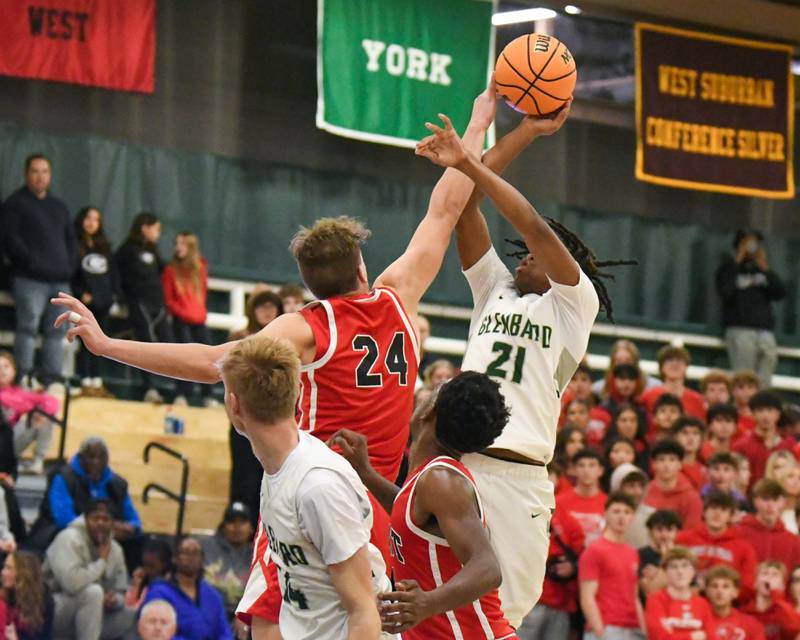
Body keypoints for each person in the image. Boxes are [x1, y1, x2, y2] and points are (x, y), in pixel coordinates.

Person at [53, 82, 499, 634]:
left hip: (314, 485)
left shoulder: (309, 326)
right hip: (380, 502)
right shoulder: (398, 295)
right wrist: (479, 122)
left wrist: (107, 344)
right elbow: (446, 207)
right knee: (365, 620)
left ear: (309, 286)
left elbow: (210, 359)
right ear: (361, 269)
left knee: (269, 622)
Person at [422, 99, 638, 627]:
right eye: (519, 253)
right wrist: (522, 133)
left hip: (519, 477)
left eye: (533, 255)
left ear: (565, 262)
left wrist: (468, 163)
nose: (521, 257)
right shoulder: (494, 289)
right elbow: (467, 208)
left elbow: (530, 222)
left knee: (503, 620)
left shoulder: (574, 303)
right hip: (456, 462)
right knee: (423, 609)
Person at [330, 371, 516, 638]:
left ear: (431, 410)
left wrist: (428, 603)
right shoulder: (429, 479)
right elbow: (411, 517)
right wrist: (366, 473)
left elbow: (487, 567)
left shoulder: (441, 480)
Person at [1, 153, 77, 391]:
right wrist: (30, 262)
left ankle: (52, 378)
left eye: (45, 171)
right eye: (35, 171)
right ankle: (23, 375)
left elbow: (71, 241)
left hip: (59, 280)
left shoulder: (59, 207)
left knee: (57, 330)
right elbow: (10, 240)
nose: (40, 176)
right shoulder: (15, 204)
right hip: (29, 279)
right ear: (26, 174)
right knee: (28, 327)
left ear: (50, 175)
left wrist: (68, 267)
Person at [30, 437, 141, 562]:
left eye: (101, 458)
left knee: (140, 542)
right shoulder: (63, 477)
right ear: (81, 458)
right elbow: (64, 519)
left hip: (108, 537)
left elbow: (134, 520)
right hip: (69, 535)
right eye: (91, 457)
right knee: (70, 537)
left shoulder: (118, 484)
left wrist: (131, 528)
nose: (96, 462)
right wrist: (104, 527)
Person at [227, 289, 284, 527]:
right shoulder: (240, 337)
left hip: (274, 418)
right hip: (244, 417)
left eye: (272, 306)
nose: (267, 311)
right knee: (244, 474)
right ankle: (240, 521)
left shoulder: (288, 339)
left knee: (272, 474)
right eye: (262, 306)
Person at [43, 499, 135, 640]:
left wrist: (114, 600)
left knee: (134, 615)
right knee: (93, 593)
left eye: (105, 519)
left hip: (92, 616)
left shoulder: (116, 549)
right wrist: (101, 562)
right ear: (86, 519)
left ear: (113, 523)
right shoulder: (68, 538)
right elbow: (71, 584)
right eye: (95, 518)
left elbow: (121, 590)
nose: (100, 523)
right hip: (53, 611)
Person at [114, 212, 174, 403]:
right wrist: (122, 297)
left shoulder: (153, 251)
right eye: (156, 229)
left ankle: (174, 389)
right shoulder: (126, 250)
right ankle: (149, 388)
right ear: (144, 228)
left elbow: (163, 271)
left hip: (157, 302)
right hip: (139, 302)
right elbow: (117, 275)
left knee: (167, 342)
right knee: (145, 343)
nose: (158, 234)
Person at [715, 228, 786, 386]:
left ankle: (761, 406)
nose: (751, 247)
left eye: (755, 243)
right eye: (747, 242)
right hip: (740, 329)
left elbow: (780, 292)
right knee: (744, 378)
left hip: (765, 331)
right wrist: (737, 261)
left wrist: (765, 268)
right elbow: (725, 292)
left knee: (765, 378)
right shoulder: (727, 269)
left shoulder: (762, 271)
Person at [518, 487, 584, 640]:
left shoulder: (566, 518)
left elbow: (580, 551)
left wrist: (573, 566)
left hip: (561, 600)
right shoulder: (522, 509)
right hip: (531, 599)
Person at [578, 493, 645, 640]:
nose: (621, 517)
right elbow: (587, 597)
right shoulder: (595, 550)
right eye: (616, 511)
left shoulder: (633, 552)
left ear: (632, 517)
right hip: (607, 628)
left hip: (633, 629)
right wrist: (600, 632)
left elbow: (634, 596)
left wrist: (643, 629)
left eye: (627, 512)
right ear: (606, 514)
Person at [162, 231, 216, 407]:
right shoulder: (171, 270)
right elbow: (169, 299)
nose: (178, 248)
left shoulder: (200, 267)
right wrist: (181, 311)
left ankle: (208, 395)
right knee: (184, 357)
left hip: (198, 318)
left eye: (183, 244)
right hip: (181, 319)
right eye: (177, 244)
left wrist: (199, 311)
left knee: (210, 355)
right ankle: (183, 393)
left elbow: (203, 291)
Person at [142, 537, 232, 640]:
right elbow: (155, 632)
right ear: (175, 558)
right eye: (185, 552)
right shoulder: (159, 592)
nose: (191, 558)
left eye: (195, 553)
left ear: (202, 560)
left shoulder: (212, 595)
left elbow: (224, 632)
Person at [71, 206, 120, 398]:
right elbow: (72, 273)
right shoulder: (74, 245)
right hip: (84, 303)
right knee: (84, 341)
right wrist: (80, 293)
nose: (91, 223)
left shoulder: (105, 248)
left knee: (101, 341)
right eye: (88, 218)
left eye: (96, 219)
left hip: (102, 303)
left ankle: (97, 380)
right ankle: (83, 380)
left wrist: (109, 295)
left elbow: (112, 275)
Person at [675, 491, 757, 598]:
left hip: (724, 605)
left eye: (723, 510)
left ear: (730, 516)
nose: (717, 514)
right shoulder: (683, 539)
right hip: (687, 599)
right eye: (713, 508)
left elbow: (747, 586)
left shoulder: (744, 548)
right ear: (704, 512)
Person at [0, 350, 58, 475]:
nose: (2, 370)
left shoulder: (18, 392)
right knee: (37, 413)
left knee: (45, 415)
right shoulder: (17, 396)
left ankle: (38, 461)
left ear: (14, 371)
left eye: (6, 366)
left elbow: (51, 400)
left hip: (9, 444)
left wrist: (41, 412)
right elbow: (12, 402)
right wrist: (32, 407)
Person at [644, 546, 711, 640]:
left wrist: (673, 635)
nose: (680, 571)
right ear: (665, 571)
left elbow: (710, 637)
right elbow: (659, 637)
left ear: (694, 571)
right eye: (673, 567)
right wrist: (692, 636)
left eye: (685, 565)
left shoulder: (702, 604)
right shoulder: (655, 600)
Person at [200, 502, 254, 616]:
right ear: (223, 526)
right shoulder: (204, 546)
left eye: (242, 522)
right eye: (232, 522)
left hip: (245, 618)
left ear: (251, 528)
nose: (237, 527)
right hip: (208, 613)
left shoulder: (259, 553)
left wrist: (246, 617)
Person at [733, 390, 793, 490]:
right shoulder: (741, 445)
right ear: (753, 414)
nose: (765, 415)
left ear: (778, 414)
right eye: (760, 410)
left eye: (770, 410)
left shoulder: (788, 445)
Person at [735, 479, 800, 570]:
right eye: (765, 499)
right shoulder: (738, 534)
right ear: (755, 501)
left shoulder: (793, 541)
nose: (770, 505)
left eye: (775, 500)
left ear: (783, 502)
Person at [643, 439, 703, 530]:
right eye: (661, 460)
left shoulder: (691, 497)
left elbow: (692, 531)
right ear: (654, 464)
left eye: (672, 460)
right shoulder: (644, 492)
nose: (666, 465)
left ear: (680, 464)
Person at [640, 346, 705, 421]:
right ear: (661, 368)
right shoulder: (647, 397)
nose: (674, 364)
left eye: (679, 360)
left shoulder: (697, 400)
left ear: (686, 367)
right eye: (669, 360)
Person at [1, 550, 55, 640]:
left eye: (9, 568)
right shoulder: (3, 596)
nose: (3, 572)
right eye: (4, 567)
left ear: (24, 573)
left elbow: (44, 636)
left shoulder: (44, 601)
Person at [557, 450, 607, 546]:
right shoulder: (558, 502)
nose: (586, 470)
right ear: (574, 470)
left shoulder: (609, 504)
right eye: (581, 465)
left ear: (600, 471)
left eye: (592, 465)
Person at [742, 561, 800, 640]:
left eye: (775, 575)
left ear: (783, 586)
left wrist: (775, 593)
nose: (769, 578)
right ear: (755, 583)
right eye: (765, 574)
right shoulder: (745, 612)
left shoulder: (785, 610)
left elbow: (794, 627)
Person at [705, 565, 766, 639]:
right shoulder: (698, 622)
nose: (719, 591)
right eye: (714, 586)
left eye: (726, 586)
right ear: (707, 591)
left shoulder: (751, 624)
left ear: (735, 592)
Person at [638, 510, 682, 599]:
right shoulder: (639, 555)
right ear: (650, 532)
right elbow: (651, 590)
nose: (664, 535)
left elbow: (690, 589)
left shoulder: (683, 556)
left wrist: (657, 574)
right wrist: (666, 559)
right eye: (659, 529)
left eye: (669, 530)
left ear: (677, 532)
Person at [610, 464, 654, 549]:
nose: (637, 492)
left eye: (641, 486)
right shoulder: (607, 513)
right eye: (631, 486)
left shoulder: (651, 514)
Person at [125, 535, 173, 609]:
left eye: (152, 566)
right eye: (145, 565)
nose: (147, 570)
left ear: (165, 564)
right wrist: (135, 586)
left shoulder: (169, 587)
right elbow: (128, 608)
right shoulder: (142, 581)